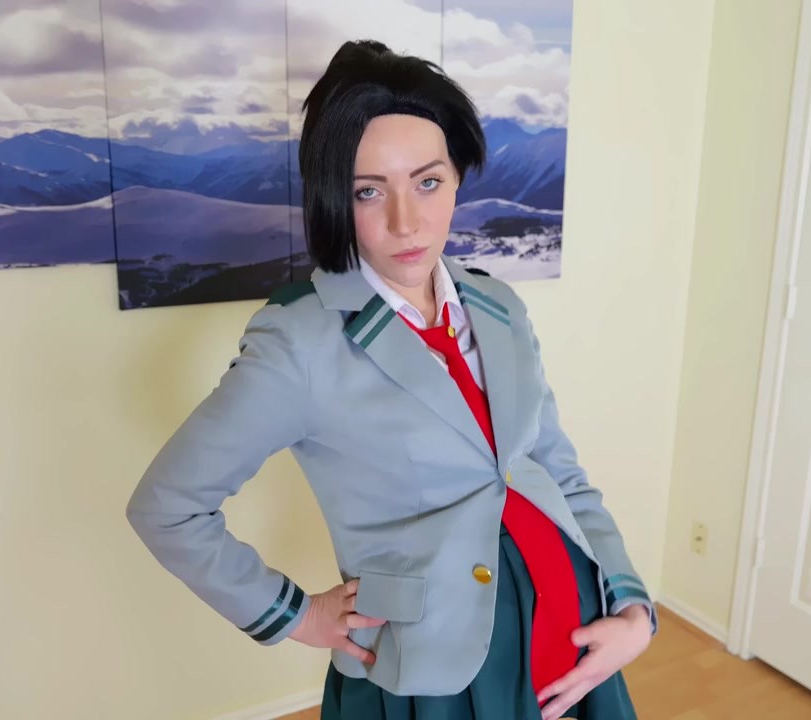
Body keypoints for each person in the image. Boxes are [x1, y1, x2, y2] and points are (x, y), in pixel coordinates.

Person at [126, 39, 656, 720]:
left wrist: (631, 606)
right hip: (432, 670)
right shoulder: (300, 341)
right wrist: (295, 614)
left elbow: (560, 472)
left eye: (427, 182)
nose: (406, 222)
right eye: (369, 191)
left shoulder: (500, 307)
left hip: (578, 633)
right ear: (334, 200)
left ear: (457, 176)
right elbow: (167, 507)